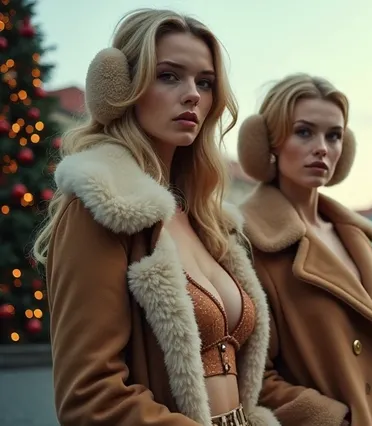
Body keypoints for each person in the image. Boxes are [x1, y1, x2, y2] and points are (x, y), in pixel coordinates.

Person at [32, 9, 278, 426]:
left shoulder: (208, 221)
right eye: (169, 76)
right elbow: (90, 397)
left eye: (204, 82)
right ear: (121, 86)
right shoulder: (101, 207)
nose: (193, 95)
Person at [238, 74, 372, 426]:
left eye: (334, 136)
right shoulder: (247, 242)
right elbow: (251, 377)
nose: (322, 148)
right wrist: (333, 421)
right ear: (270, 141)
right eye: (304, 132)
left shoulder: (361, 243)